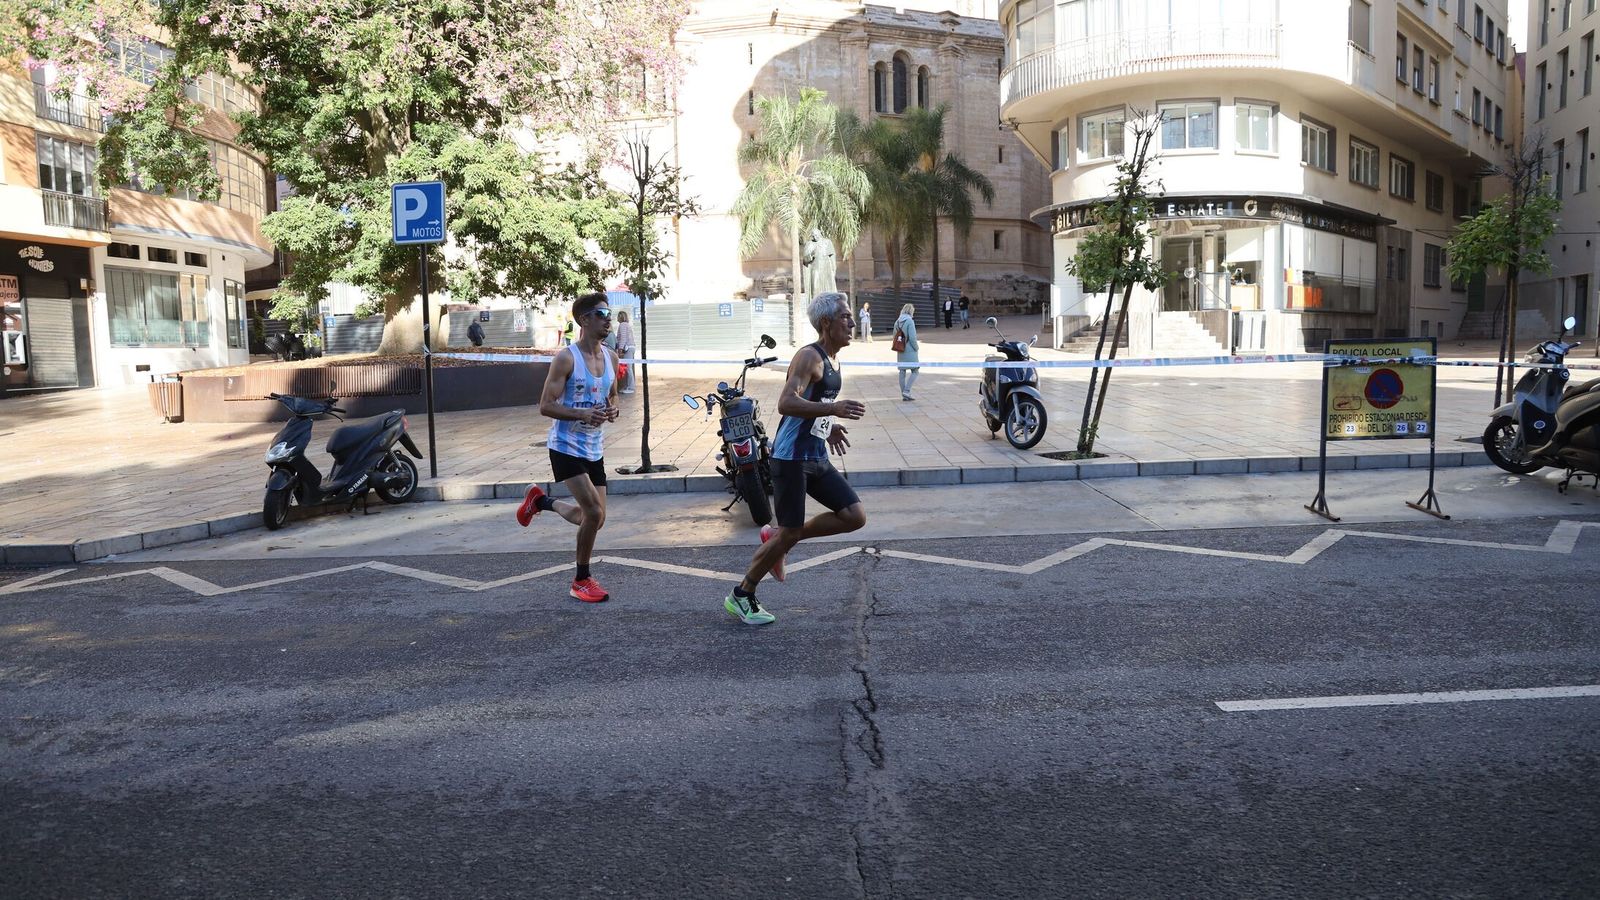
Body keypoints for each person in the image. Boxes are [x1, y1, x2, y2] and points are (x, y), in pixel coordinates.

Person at [724, 291, 867, 626]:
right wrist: (832, 408)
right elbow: (787, 403)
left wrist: (827, 425)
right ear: (826, 323)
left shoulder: (832, 359)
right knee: (788, 532)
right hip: (790, 459)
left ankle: (781, 536)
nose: (851, 321)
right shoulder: (809, 357)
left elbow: (812, 404)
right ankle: (741, 595)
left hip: (814, 455)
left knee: (854, 516)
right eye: (845, 316)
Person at [517, 292, 620, 604]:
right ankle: (581, 580)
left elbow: (612, 395)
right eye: (601, 313)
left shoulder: (612, 357)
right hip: (565, 446)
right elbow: (545, 406)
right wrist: (581, 413)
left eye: (609, 313)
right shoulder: (566, 358)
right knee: (592, 511)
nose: (608, 319)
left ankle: (541, 502)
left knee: (596, 519)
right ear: (584, 320)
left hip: (594, 447)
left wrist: (611, 408)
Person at [894, 302, 920, 401]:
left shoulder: (897, 322)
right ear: (911, 311)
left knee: (902, 371)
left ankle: (903, 393)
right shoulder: (910, 321)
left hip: (900, 349)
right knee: (915, 370)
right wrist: (916, 347)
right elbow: (913, 338)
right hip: (910, 349)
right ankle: (907, 391)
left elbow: (894, 336)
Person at [614, 309, 636, 394]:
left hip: (628, 348)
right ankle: (628, 386)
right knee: (628, 368)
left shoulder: (622, 325)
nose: (617, 318)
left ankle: (631, 387)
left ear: (620, 317)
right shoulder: (627, 325)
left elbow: (623, 338)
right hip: (631, 347)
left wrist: (620, 349)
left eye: (618, 317)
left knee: (628, 368)